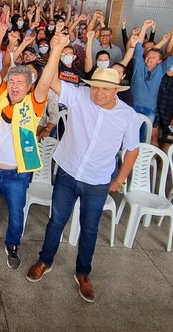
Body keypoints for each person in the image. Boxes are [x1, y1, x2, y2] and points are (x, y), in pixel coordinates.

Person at [26, 32, 141, 304]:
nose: (98, 93)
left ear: (116, 90)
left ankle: (83, 274)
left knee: (89, 229)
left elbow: (133, 150)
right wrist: (55, 51)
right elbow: (51, 81)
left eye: (105, 88)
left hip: (98, 181)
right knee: (56, 221)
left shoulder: (128, 116)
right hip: (67, 172)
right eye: (95, 87)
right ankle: (45, 261)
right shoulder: (78, 96)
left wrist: (119, 180)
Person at [0, 22, 56, 267]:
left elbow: (46, 81)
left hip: (18, 173)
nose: (15, 86)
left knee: (16, 213)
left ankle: (12, 245)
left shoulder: (35, 103)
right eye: (12, 81)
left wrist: (56, 51)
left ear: (28, 86)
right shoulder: (0, 96)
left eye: (20, 82)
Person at [130, 21, 173, 124]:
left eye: (153, 58)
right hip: (133, 105)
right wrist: (144, 27)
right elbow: (139, 46)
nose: (149, 59)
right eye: (148, 56)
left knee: (145, 135)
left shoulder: (160, 69)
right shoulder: (139, 65)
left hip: (150, 108)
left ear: (159, 61)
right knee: (130, 134)